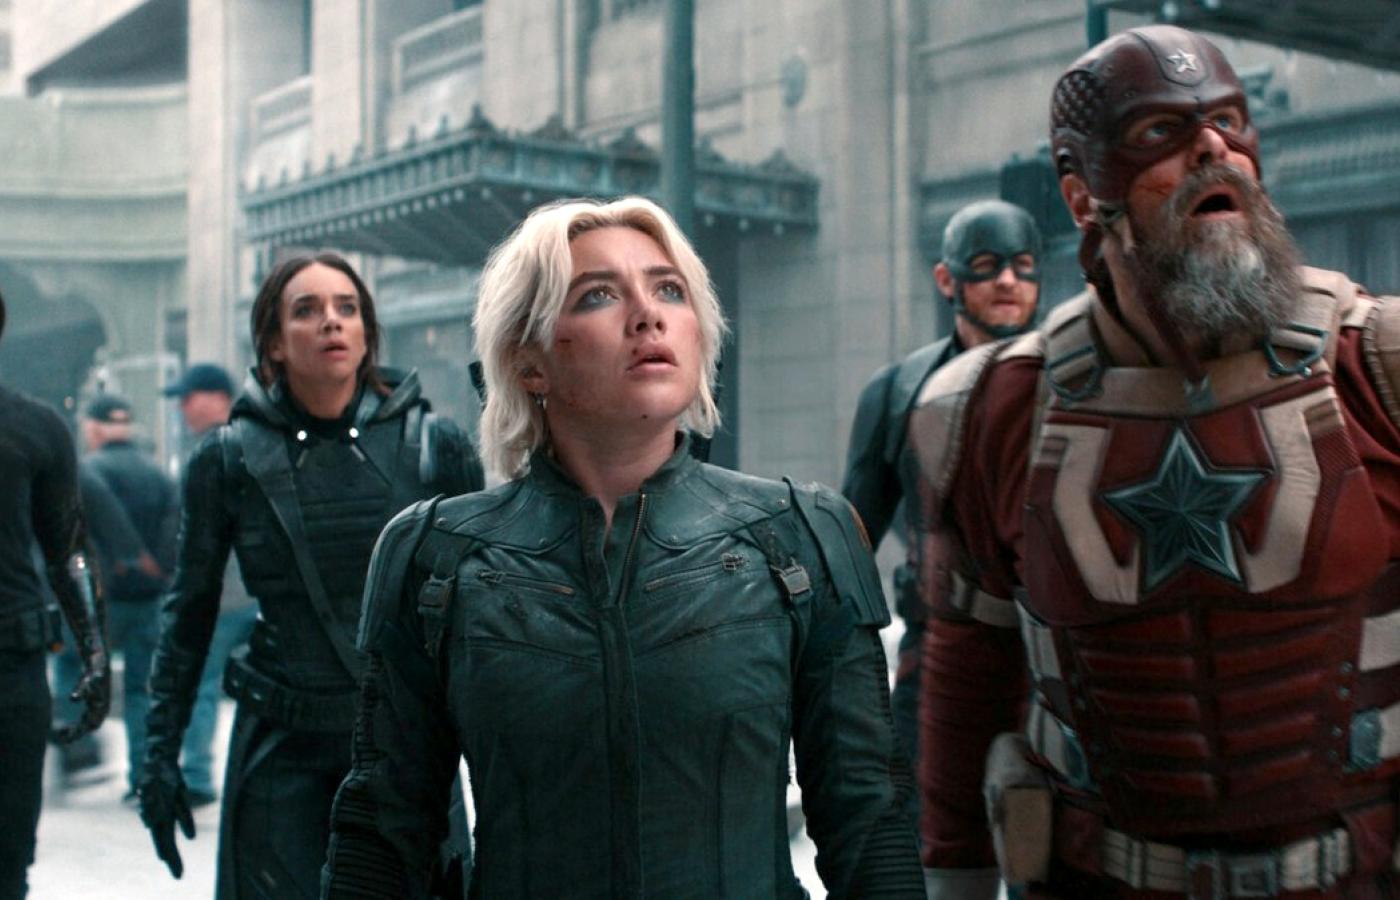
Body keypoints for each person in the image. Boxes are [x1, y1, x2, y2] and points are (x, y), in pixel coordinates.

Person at [914, 24, 1400, 899]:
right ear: (1082, 195)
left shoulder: (1377, 366)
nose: (1214, 149)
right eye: (1159, 132)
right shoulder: (997, 409)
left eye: (1229, 121)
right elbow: (967, 670)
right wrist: (955, 879)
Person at [321, 196, 925, 898]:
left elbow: (869, 823)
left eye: (669, 290)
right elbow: (382, 830)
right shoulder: (434, 555)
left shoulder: (801, 535)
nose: (648, 315)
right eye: (598, 296)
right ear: (528, 362)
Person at [138, 252, 484, 898]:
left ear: (367, 333)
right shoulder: (228, 458)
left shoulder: (436, 446)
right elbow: (189, 612)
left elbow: (480, 608)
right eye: (307, 309)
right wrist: (159, 756)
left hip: (402, 749)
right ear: (274, 341)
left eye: (347, 308)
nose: (331, 321)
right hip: (282, 746)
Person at [841, 199, 1040, 822]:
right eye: (986, 265)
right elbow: (850, 543)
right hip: (940, 644)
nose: (1006, 280)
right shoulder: (898, 391)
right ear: (946, 279)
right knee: (926, 834)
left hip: (1055, 654)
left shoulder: (1075, 378)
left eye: (1022, 265)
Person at [0, 289, 111, 899]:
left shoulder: (35, 427)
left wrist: (95, 650)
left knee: (7, 861)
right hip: (14, 664)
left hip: (10, 669)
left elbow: (69, 547)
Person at [53, 395, 177, 802]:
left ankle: (80, 751)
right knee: (142, 689)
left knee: (72, 667)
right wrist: (159, 569)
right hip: (148, 598)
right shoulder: (158, 475)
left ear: (93, 428)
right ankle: (142, 776)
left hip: (98, 600)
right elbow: (175, 526)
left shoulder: (85, 473)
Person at [162, 362, 253, 807]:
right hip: (245, 594)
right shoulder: (249, 441)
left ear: (218, 398)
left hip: (224, 595)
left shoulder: (219, 451)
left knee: (201, 683)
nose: (182, 408)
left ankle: (198, 775)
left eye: (188, 398)